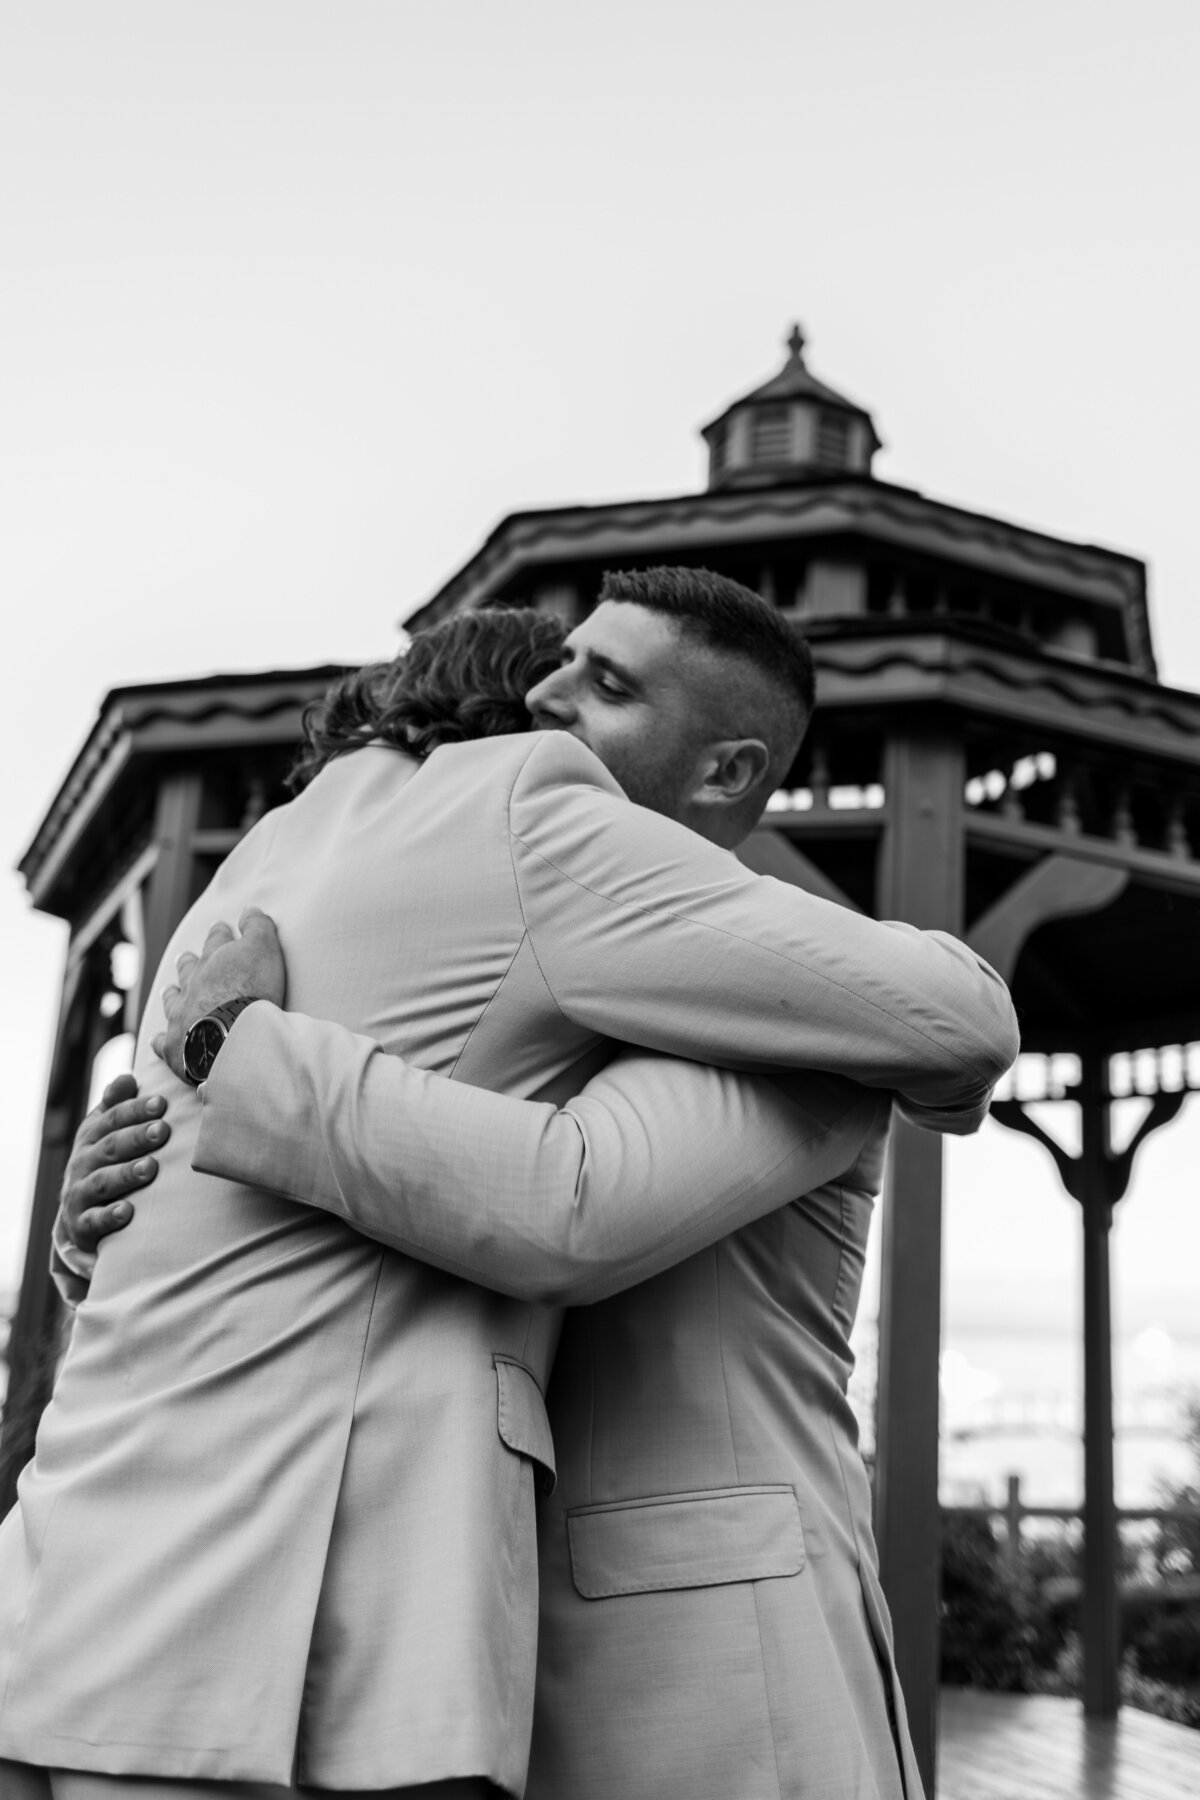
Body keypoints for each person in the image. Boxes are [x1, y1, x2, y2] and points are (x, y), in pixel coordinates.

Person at [2, 570, 1018, 1800]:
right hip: (469, 1624)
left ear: (723, 773)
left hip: (708, 1658)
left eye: (608, 682)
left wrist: (246, 1054)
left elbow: (563, 1210)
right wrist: (126, 1192)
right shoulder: (523, 985)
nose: (548, 703)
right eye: (556, 666)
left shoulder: (808, 1023)